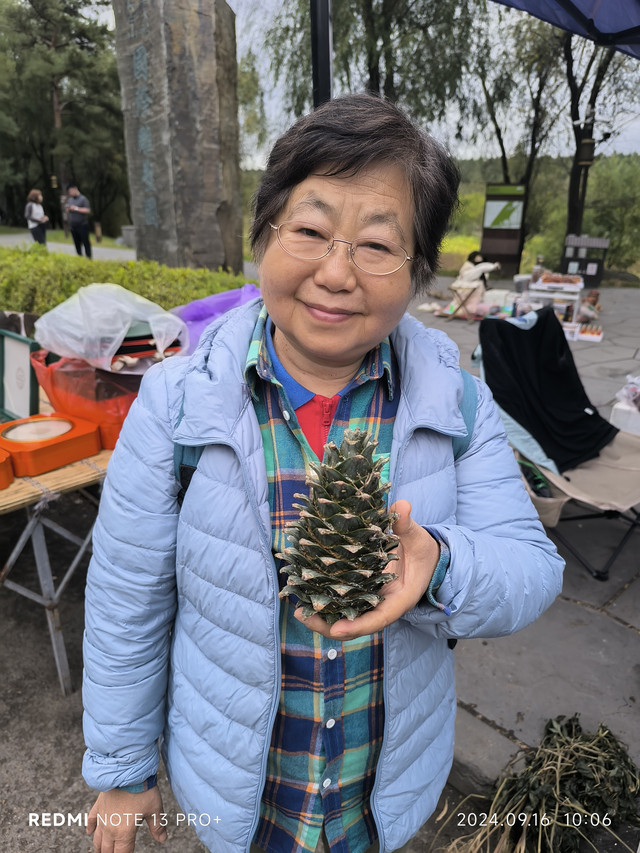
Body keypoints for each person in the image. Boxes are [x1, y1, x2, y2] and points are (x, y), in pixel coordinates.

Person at [82, 93, 564, 853]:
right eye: (309, 231)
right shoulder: (177, 405)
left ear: (418, 269)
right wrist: (122, 767)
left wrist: (440, 566)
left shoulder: (458, 404)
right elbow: (125, 600)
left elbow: (532, 568)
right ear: (264, 236)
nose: (336, 273)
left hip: (379, 801)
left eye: (377, 244)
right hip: (239, 802)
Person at [66, 184, 92, 258]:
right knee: (76, 243)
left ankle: (89, 258)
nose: (70, 193)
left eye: (71, 191)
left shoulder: (83, 199)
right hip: (73, 226)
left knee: (85, 242)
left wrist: (76, 208)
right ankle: (79, 258)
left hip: (82, 225)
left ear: (75, 189)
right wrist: (68, 209)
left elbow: (87, 210)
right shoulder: (70, 199)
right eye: (69, 192)